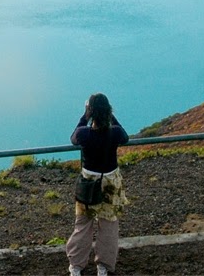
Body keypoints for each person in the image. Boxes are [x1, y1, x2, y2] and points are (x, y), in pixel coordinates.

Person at [66, 93, 130, 276]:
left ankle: (76, 266)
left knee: (83, 224)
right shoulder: (115, 133)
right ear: (109, 110)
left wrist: (85, 116)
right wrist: (109, 115)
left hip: (89, 183)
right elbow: (124, 136)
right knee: (109, 224)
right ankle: (103, 266)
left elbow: (73, 137)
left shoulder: (84, 133)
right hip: (111, 183)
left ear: (91, 111)